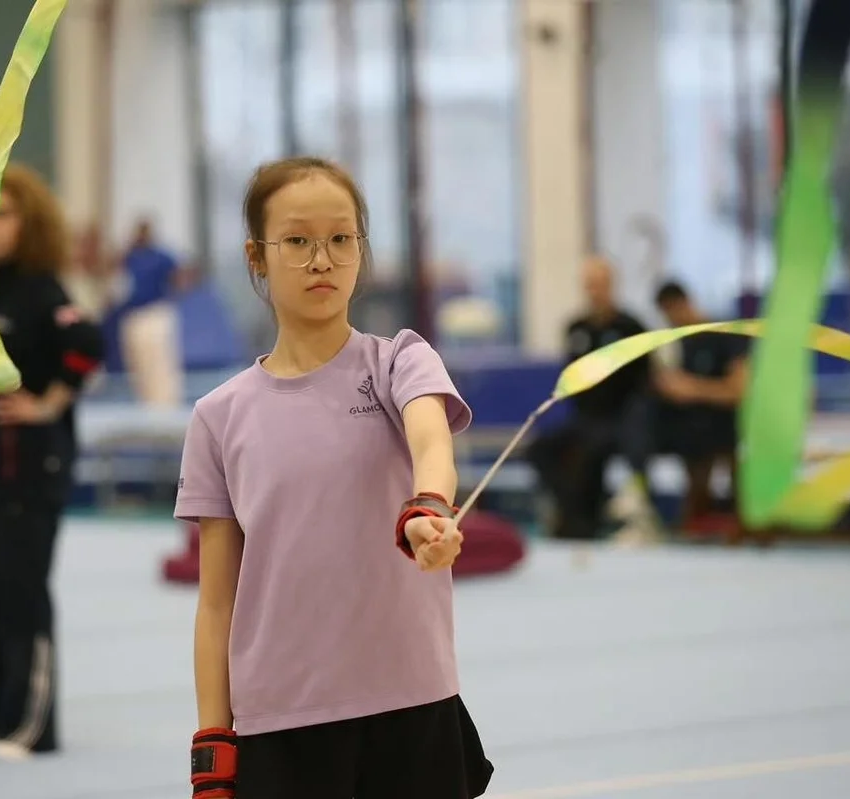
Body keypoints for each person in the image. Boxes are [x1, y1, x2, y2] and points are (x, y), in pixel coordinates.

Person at [175, 156, 493, 799]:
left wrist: (427, 508)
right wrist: (213, 746)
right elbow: (216, 605)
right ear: (256, 257)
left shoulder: (400, 360)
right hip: (282, 721)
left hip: (412, 703)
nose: (322, 260)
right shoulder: (218, 418)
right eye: (297, 241)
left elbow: (431, 438)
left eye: (342, 238)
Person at [0, 163, 104, 760]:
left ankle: (34, 726)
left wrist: (47, 405)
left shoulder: (40, 289)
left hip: (31, 469)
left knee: (20, 598)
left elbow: (87, 346)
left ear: (28, 224)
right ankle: (5, 711)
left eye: (5, 215)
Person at [525, 256, 660, 542]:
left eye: (601, 285)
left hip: (621, 417)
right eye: (590, 285)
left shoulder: (631, 328)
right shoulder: (576, 328)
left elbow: (645, 382)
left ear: (612, 286)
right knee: (540, 449)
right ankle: (572, 512)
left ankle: (584, 521)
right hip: (583, 418)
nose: (595, 291)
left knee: (592, 449)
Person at [652, 280, 750, 538]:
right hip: (690, 430)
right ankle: (693, 519)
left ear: (683, 303)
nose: (671, 320)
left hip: (730, 426)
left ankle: (745, 522)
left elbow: (737, 391)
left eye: (671, 313)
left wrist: (693, 389)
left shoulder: (726, 334)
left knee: (725, 448)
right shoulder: (675, 343)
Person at [112, 218, 187, 406]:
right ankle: (145, 402)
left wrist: (174, 294)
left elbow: (180, 276)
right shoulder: (131, 256)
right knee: (138, 363)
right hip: (135, 314)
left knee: (160, 362)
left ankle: (166, 404)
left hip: (156, 312)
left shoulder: (161, 256)